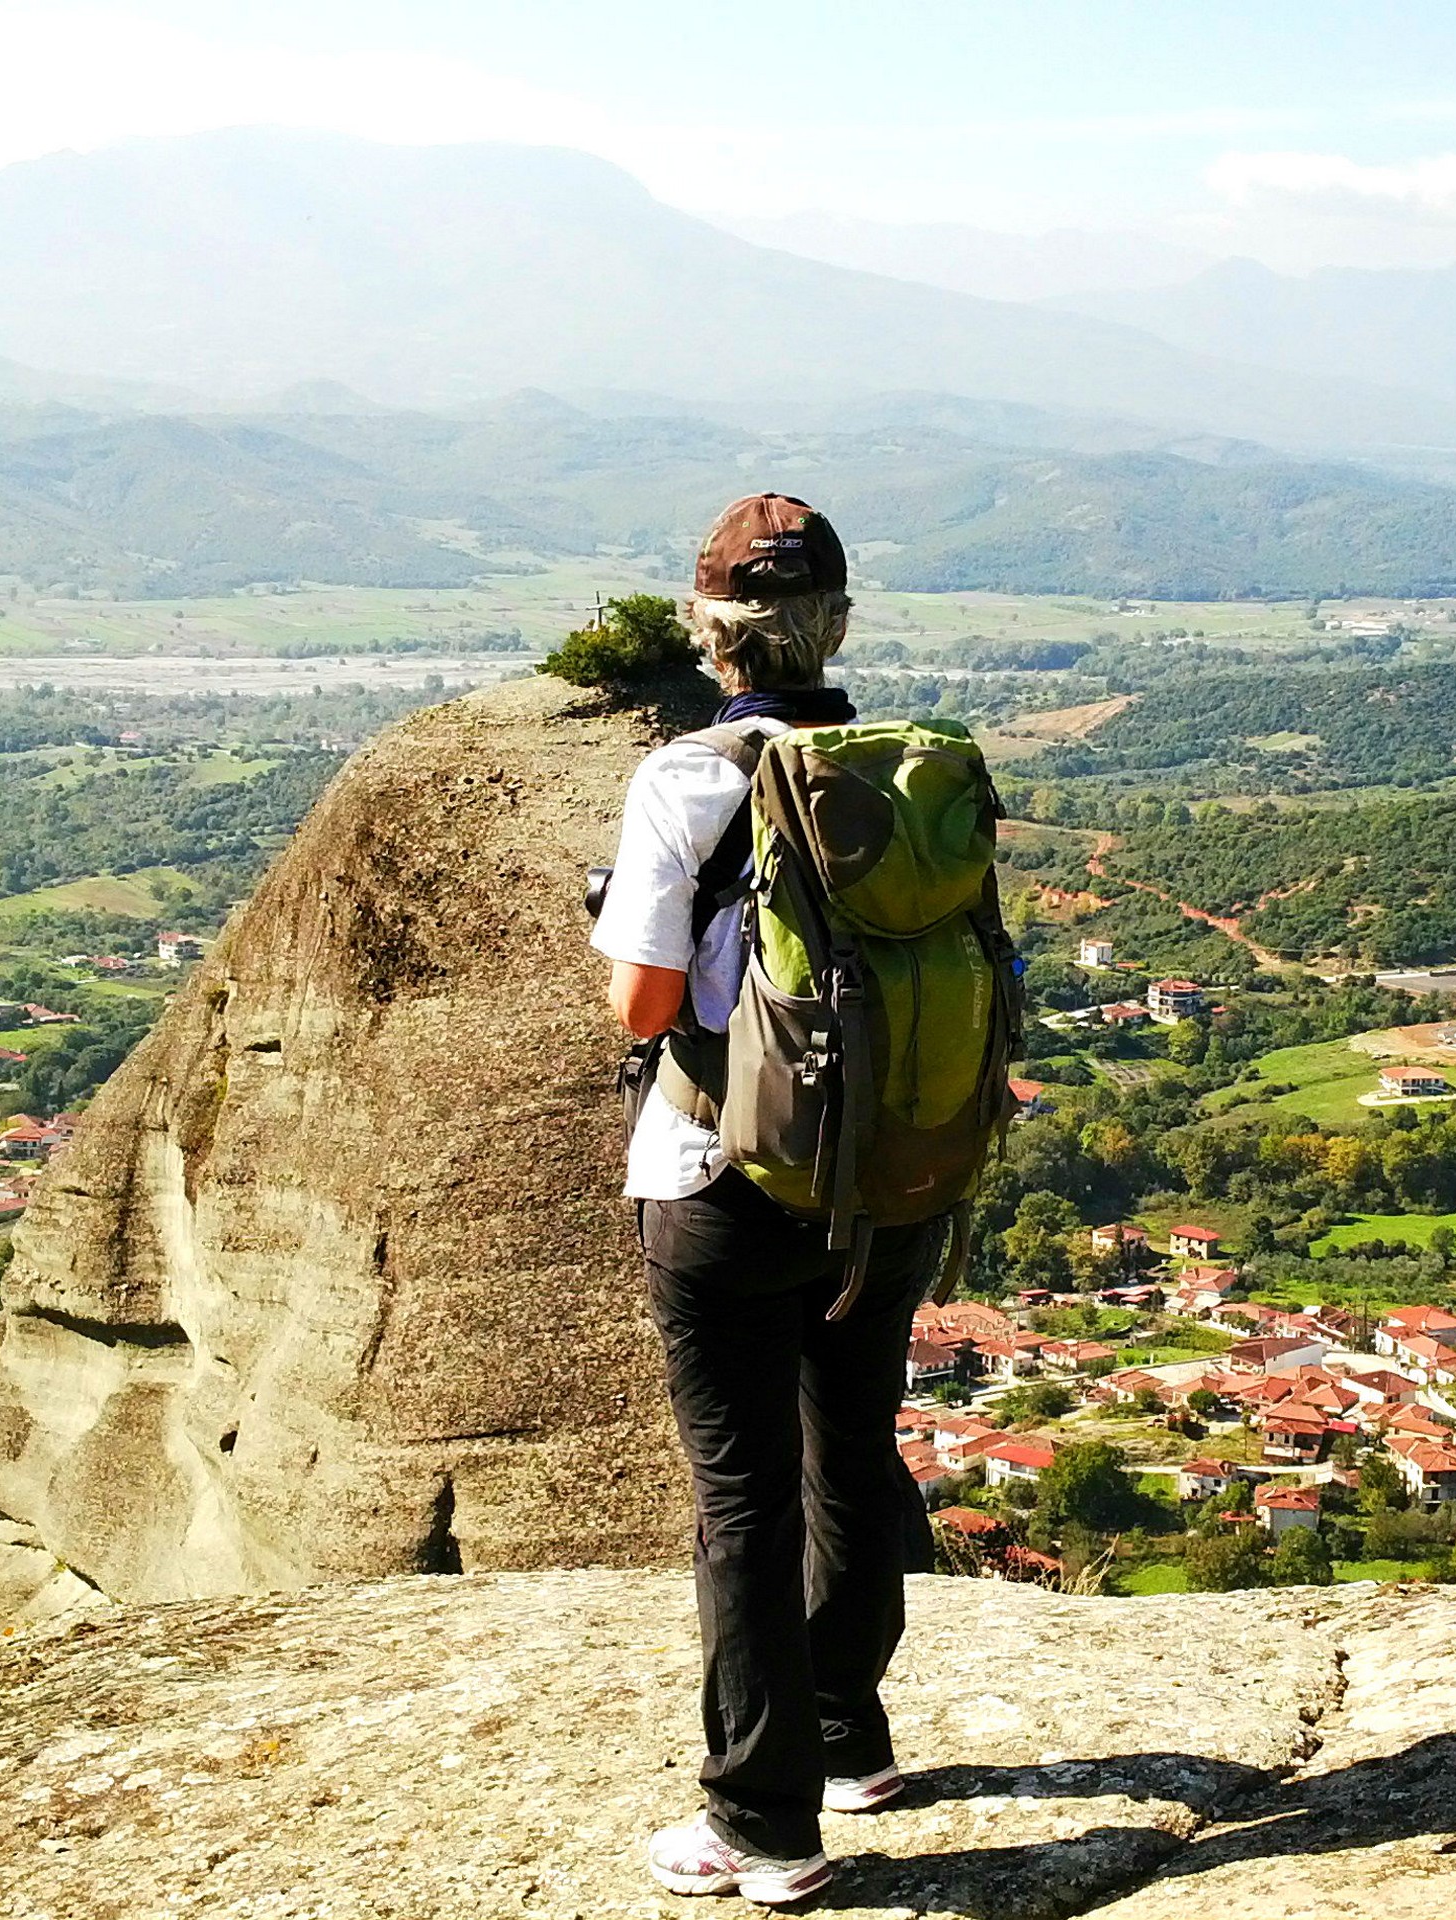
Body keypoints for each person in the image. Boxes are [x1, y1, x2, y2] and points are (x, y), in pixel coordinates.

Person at [593, 493, 946, 1905]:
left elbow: (643, 1000)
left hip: (725, 1177)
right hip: (888, 1178)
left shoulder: (687, 776)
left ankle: (761, 1821)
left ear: (712, 633)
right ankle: (852, 1739)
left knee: (742, 1499)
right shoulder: (900, 773)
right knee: (852, 1453)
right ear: (838, 626)